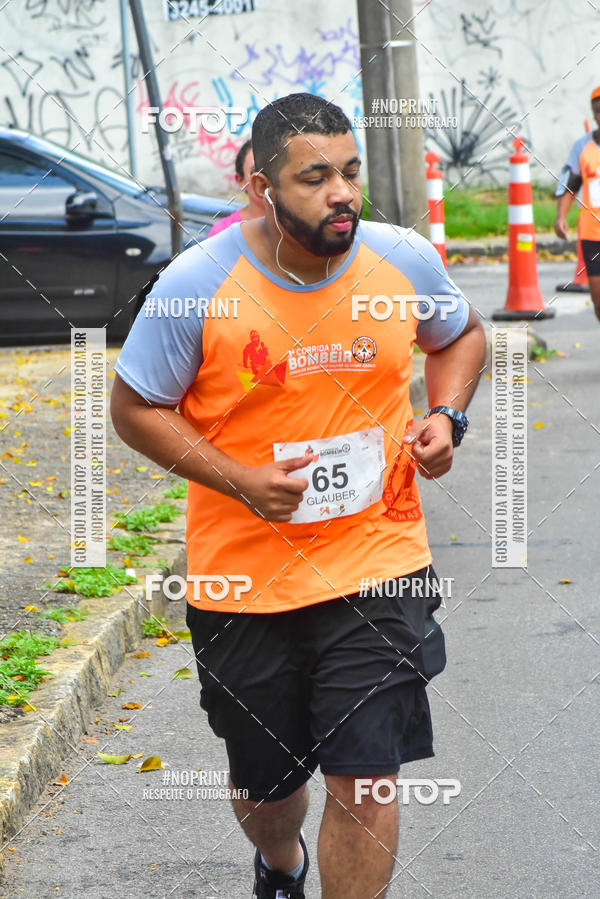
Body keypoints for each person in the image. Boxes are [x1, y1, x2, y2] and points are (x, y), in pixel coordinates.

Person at [110, 92, 486, 899]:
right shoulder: (197, 285)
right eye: (315, 177)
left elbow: (458, 334)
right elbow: (134, 407)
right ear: (262, 189)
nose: (342, 191)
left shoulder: (402, 259)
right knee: (267, 785)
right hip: (243, 579)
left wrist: (447, 415)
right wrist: (240, 480)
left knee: (367, 776)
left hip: (378, 561)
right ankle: (280, 864)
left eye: (350, 171)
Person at [555, 85, 600, 320]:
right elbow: (569, 185)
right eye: (599, 110)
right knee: (598, 299)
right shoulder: (582, 147)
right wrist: (560, 217)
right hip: (593, 235)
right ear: (594, 114)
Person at [208, 138, 264, 236]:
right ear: (240, 180)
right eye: (255, 171)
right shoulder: (223, 232)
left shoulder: (295, 222)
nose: (263, 177)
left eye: (270, 167)